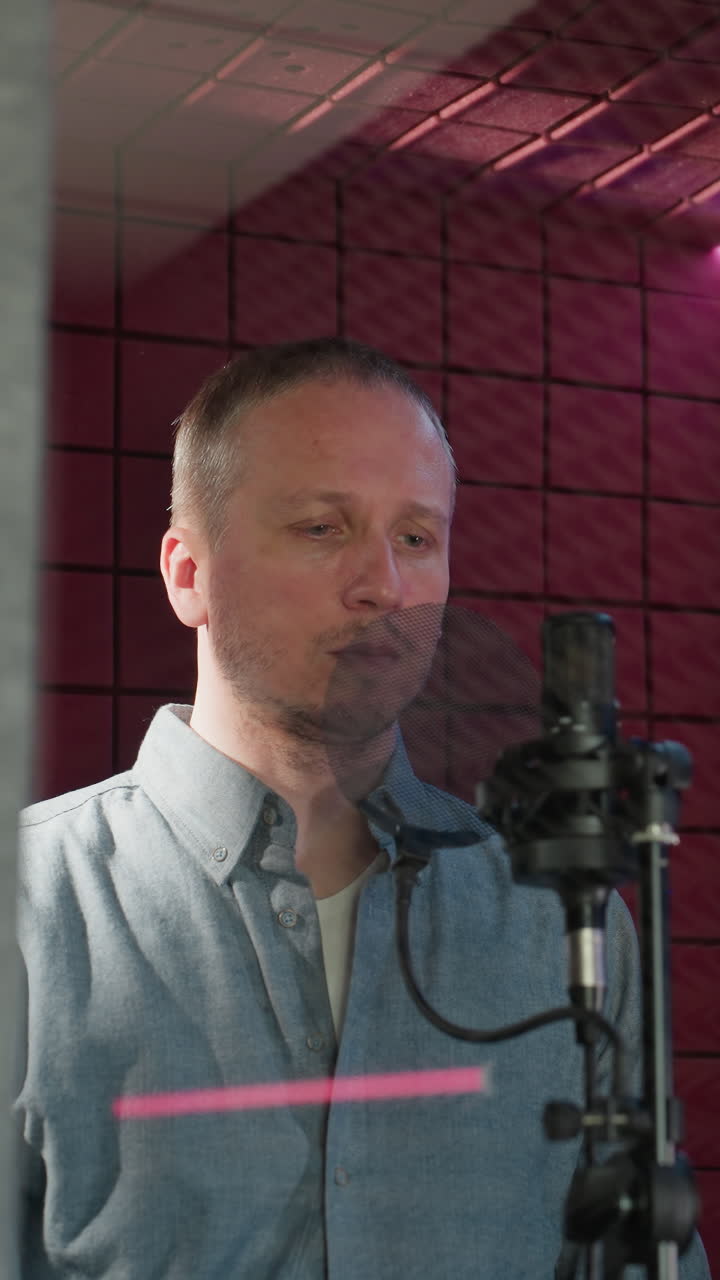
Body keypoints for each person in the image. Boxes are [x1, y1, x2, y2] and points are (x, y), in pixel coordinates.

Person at [15, 338, 709, 1279]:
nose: (384, 585)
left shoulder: (557, 920)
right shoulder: (31, 907)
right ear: (188, 574)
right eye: (321, 527)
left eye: (415, 538)